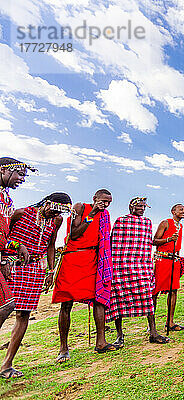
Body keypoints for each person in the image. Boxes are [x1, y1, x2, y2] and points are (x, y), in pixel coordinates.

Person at [0, 193, 69, 379]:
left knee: (23, 315)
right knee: (3, 310)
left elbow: (51, 245)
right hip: (11, 266)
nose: (55, 213)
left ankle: (6, 365)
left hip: (35, 270)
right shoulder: (21, 213)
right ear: (46, 203)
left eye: (59, 211)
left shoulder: (57, 220)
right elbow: (3, 237)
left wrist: (50, 271)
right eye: (53, 208)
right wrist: (5, 259)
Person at [52, 189, 116, 361]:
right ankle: (63, 348)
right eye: (103, 201)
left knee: (99, 300)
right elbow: (74, 233)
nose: (106, 204)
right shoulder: (80, 207)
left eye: (109, 202)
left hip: (94, 261)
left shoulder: (106, 215)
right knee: (66, 303)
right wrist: (93, 212)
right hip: (73, 259)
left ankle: (101, 342)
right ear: (94, 198)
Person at [107, 197, 169, 347]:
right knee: (118, 299)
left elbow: (147, 244)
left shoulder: (147, 222)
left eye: (143, 207)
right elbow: (113, 242)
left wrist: (148, 264)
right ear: (131, 206)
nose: (142, 209)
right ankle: (119, 335)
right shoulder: (121, 221)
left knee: (148, 296)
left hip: (142, 265)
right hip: (121, 266)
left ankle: (153, 332)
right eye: (139, 206)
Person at [0, 157, 34, 328]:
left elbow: (2, 236)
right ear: (2, 170)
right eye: (20, 174)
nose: (22, 179)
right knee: (6, 306)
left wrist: (16, 246)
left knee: (7, 305)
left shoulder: (6, 199)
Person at [152, 204, 184, 332]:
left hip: (174, 260)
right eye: (181, 209)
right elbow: (154, 241)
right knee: (155, 292)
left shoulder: (180, 226)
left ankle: (170, 322)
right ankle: (152, 325)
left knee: (173, 290)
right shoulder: (165, 223)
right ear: (173, 211)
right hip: (162, 261)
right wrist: (168, 239)